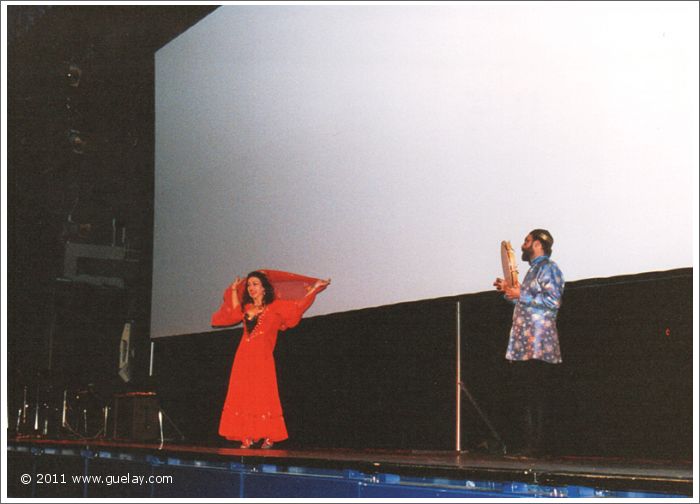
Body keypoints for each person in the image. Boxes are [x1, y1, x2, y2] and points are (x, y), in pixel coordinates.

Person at [212, 270, 330, 449]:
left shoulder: (276, 307)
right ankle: (247, 435)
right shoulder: (247, 308)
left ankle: (269, 435)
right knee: (243, 395)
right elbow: (235, 313)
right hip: (242, 358)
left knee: (263, 395)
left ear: (264, 288)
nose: (251, 288)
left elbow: (297, 307)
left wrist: (313, 289)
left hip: (262, 358)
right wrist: (235, 290)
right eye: (249, 285)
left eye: (255, 284)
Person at [493, 229, 564, 456]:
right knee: (526, 396)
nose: (523, 245)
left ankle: (538, 447)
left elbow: (553, 301)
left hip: (540, 345)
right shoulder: (531, 272)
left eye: (526, 241)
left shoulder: (549, 269)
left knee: (536, 397)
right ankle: (529, 446)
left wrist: (520, 295)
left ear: (537, 244)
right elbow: (524, 302)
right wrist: (509, 292)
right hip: (524, 345)